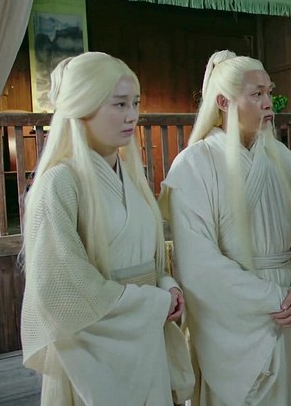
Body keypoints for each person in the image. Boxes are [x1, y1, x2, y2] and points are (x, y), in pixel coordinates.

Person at [20, 52, 194, 405]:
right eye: (119, 104)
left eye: (135, 103)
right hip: (95, 353)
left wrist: (166, 285)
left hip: (145, 334)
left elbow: (150, 259)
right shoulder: (59, 182)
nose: (132, 115)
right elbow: (63, 287)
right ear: (82, 107)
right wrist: (152, 302)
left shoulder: (131, 177)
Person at [160, 50, 291, 405]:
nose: (268, 103)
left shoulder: (284, 161)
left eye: (270, 92)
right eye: (257, 94)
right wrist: (273, 297)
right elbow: (199, 265)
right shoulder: (194, 165)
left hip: (290, 311)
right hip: (236, 322)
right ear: (223, 102)